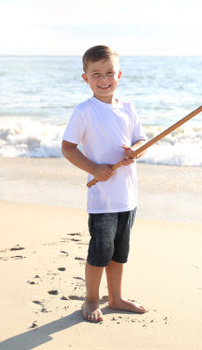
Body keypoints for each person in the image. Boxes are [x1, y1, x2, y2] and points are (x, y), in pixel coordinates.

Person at [61, 45, 148, 323]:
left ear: (118, 74)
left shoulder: (128, 108)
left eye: (109, 72)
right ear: (85, 78)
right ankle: (90, 299)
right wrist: (94, 168)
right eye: (96, 73)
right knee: (100, 252)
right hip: (102, 200)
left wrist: (135, 150)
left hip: (127, 197)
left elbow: (142, 140)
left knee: (119, 254)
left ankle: (116, 297)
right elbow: (68, 148)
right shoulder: (84, 111)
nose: (104, 79)